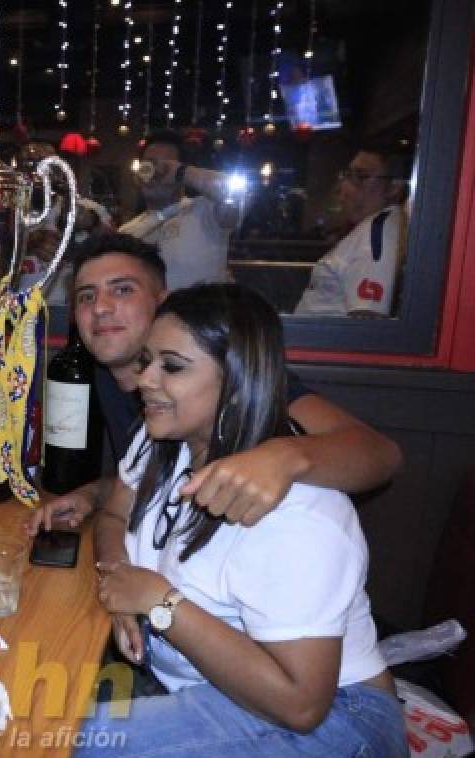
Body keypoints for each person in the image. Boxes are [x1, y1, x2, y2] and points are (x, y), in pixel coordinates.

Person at [60, 284, 407, 758]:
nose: (144, 380)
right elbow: (114, 514)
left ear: (238, 382)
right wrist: (119, 590)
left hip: (336, 729)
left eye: (171, 366)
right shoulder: (165, 441)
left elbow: (301, 704)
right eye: (148, 360)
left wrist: (160, 602)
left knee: (64, 757)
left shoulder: (294, 511)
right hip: (213, 697)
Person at [28, 233, 402, 666]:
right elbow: (157, 475)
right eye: (86, 296)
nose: (101, 307)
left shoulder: (234, 384)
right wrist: (96, 495)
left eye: (123, 289)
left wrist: (284, 456)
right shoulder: (96, 378)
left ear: (162, 303)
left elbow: (380, 454)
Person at [118, 129, 243, 289]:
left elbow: (235, 191)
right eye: (148, 164)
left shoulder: (206, 210)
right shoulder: (127, 231)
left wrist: (181, 172)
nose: (156, 173)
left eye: (166, 165)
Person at [294, 148, 409, 317]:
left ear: (394, 187)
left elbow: (367, 322)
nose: (344, 188)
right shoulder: (372, 226)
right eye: (347, 175)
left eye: (361, 177)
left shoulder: (379, 232)